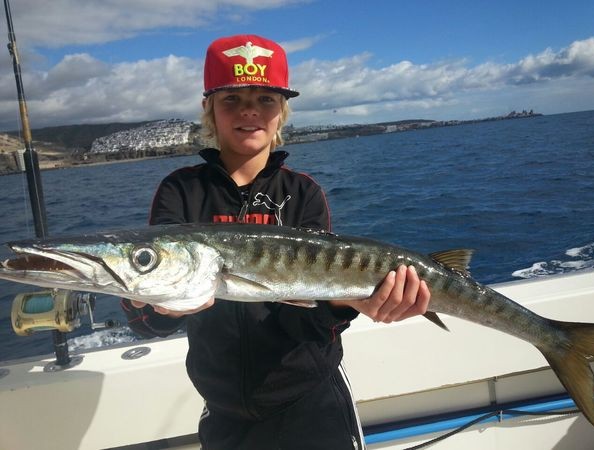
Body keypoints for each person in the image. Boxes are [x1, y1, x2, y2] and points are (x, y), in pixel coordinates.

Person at [121, 34, 431, 450]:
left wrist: (345, 303)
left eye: (265, 99)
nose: (249, 110)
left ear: (282, 111)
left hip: (311, 402)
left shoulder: (303, 193)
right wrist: (153, 305)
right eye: (232, 99)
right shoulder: (180, 191)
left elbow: (309, 322)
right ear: (209, 108)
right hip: (224, 407)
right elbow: (150, 323)